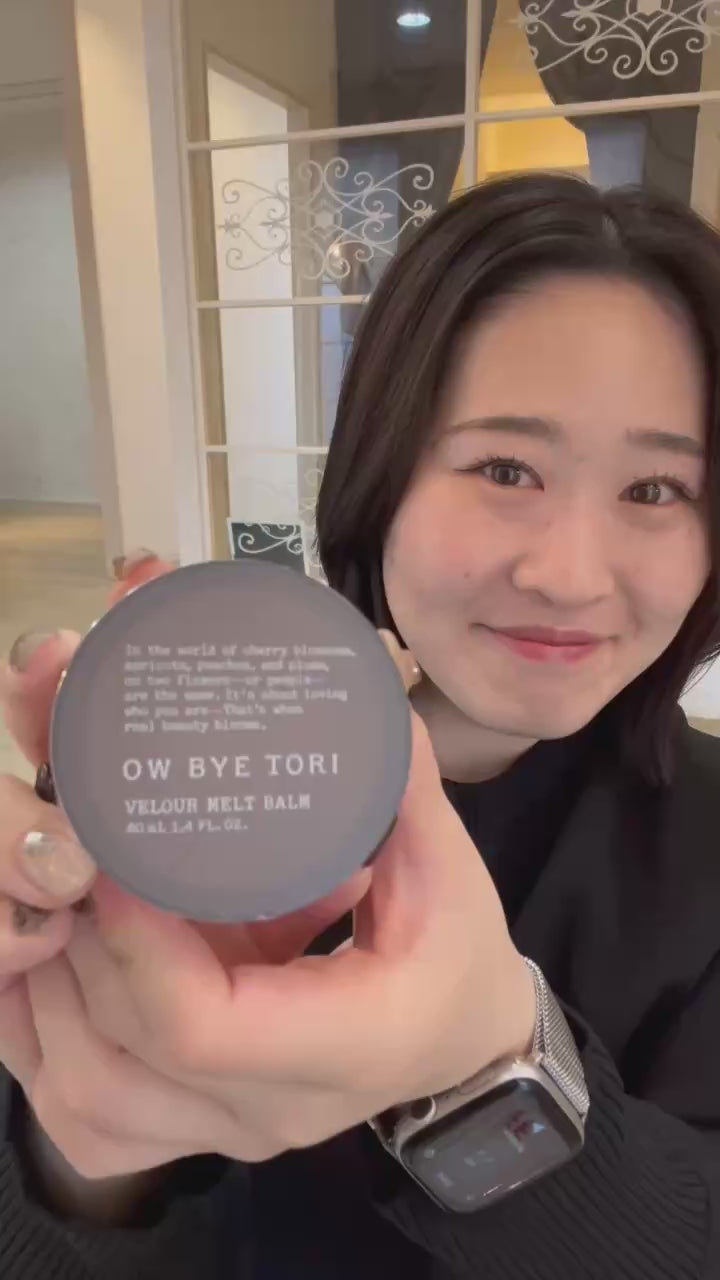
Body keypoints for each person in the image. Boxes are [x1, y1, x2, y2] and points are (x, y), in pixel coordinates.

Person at [1, 171, 720, 1279]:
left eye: (657, 489)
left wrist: (487, 1070)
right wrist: (80, 1151)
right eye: (506, 468)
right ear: (380, 479)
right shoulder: (194, 791)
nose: (570, 574)